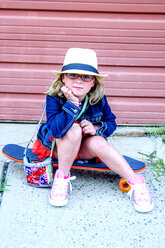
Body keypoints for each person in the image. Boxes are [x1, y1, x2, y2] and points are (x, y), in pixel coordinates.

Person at [32, 48, 153, 212]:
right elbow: (56, 131)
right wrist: (72, 104)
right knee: (73, 129)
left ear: (93, 82)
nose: (79, 81)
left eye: (86, 76)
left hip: (82, 149)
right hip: (57, 149)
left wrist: (97, 128)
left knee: (99, 141)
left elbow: (111, 122)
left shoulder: (98, 99)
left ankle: (137, 182)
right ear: (63, 78)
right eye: (72, 75)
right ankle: (61, 178)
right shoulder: (54, 97)